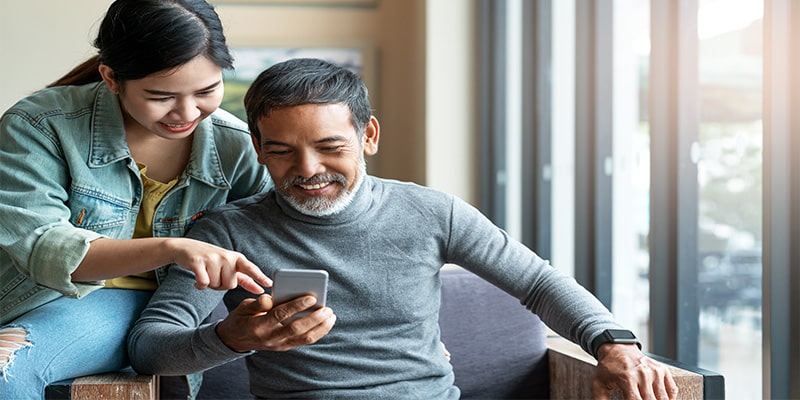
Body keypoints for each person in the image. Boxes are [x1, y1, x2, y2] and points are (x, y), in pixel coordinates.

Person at [128, 58, 679, 399]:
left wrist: (614, 342)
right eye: (281, 152)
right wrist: (231, 339)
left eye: (330, 147)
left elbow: (537, 283)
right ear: (258, 150)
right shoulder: (225, 233)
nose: (308, 170)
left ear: (368, 135)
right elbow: (150, 348)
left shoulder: (431, 212)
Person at [0, 1, 321, 398]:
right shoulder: (40, 126)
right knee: (6, 368)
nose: (186, 112)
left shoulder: (234, 145)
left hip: (181, 307)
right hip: (67, 298)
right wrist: (173, 249)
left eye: (207, 90)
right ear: (111, 78)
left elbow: (286, 233)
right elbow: (45, 248)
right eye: (160, 96)